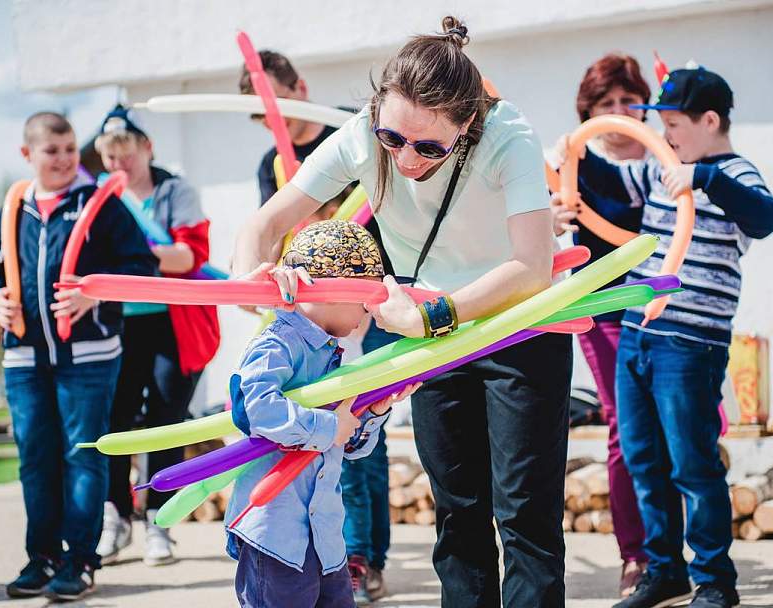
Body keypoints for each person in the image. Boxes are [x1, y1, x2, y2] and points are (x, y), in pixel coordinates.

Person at [232, 16, 572, 608]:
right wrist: (251, 279)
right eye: (393, 139)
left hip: (519, 328)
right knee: (457, 511)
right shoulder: (362, 135)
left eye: (430, 146)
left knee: (524, 513)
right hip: (433, 338)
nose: (407, 158)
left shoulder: (509, 137)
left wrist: (435, 315)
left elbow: (532, 267)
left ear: (467, 124)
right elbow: (264, 223)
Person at [559, 67, 773, 608]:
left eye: (674, 124)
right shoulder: (661, 168)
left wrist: (704, 179)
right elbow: (612, 183)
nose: (665, 134)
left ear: (710, 121)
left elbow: (765, 217)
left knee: (692, 464)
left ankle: (715, 579)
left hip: (691, 343)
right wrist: (573, 157)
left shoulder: (734, 173)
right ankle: (664, 571)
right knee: (642, 457)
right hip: (639, 331)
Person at [0, 112, 158, 601]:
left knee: (82, 454)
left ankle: (79, 561)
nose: (63, 159)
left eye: (70, 149)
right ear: (27, 154)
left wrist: (92, 293)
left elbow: (141, 267)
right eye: (51, 151)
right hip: (23, 357)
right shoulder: (12, 209)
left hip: (89, 355)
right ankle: (42, 557)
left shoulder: (101, 206)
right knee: (35, 459)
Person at [240, 51, 396, 603]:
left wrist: (363, 296)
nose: (273, 119)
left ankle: (363, 555)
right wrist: (273, 276)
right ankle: (342, 552)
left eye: (277, 103)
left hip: (367, 292)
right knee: (328, 421)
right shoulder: (272, 164)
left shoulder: (347, 134)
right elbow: (271, 229)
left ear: (299, 88)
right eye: (261, 113)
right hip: (315, 303)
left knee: (363, 423)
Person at [224, 220, 418, 607]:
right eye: (364, 298)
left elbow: (349, 447)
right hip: (276, 535)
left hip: (326, 540)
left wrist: (371, 414)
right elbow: (255, 409)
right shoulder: (278, 343)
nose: (369, 311)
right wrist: (330, 426)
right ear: (329, 291)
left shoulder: (332, 353)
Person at [92, 104, 219, 567]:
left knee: (166, 419)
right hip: (119, 324)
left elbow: (187, 257)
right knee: (114, 420)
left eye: (126, 152)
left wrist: (134, 257)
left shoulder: (174, 191)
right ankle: (116, 517)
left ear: (147, 148)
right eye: (110, 156)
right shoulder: (99, 197)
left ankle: (158, 522)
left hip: (173, 322)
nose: (119, 163)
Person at [548, 53, 650, 597]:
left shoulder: (669, 158)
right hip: (606, 309)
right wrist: (553, 219)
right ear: (588, 112)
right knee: (625, 423)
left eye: (628, 101)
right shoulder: (572, 160)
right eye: (605, 103)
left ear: (645, 105)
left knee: (677, 428)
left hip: (668, 308)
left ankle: (673, 547)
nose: (618, 111)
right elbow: (536, 225)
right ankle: (637, 555)